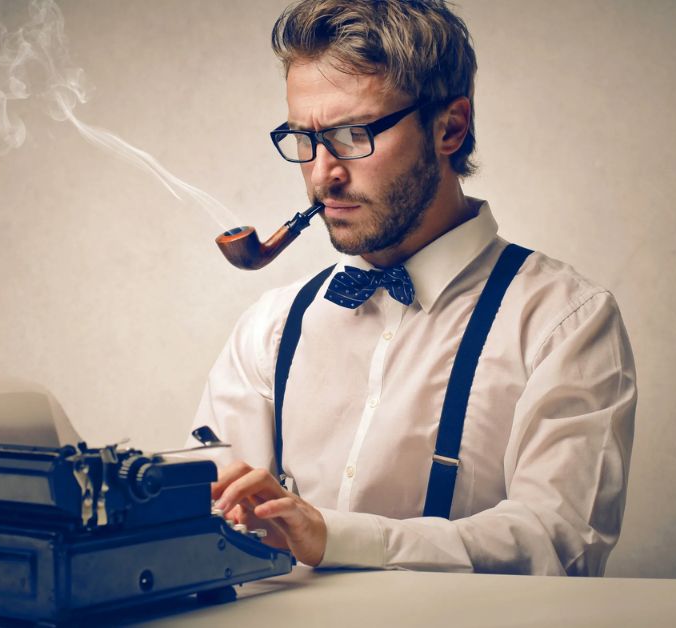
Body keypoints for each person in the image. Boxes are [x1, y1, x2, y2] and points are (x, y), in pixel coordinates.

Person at [189, 0, 636, 576]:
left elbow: (559, 542)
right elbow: (210, 527)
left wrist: (335, 536)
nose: (323, 172)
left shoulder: (564, 321)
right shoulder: (269, 328)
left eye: (353, 134)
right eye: (306, 138)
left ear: (450, 127)